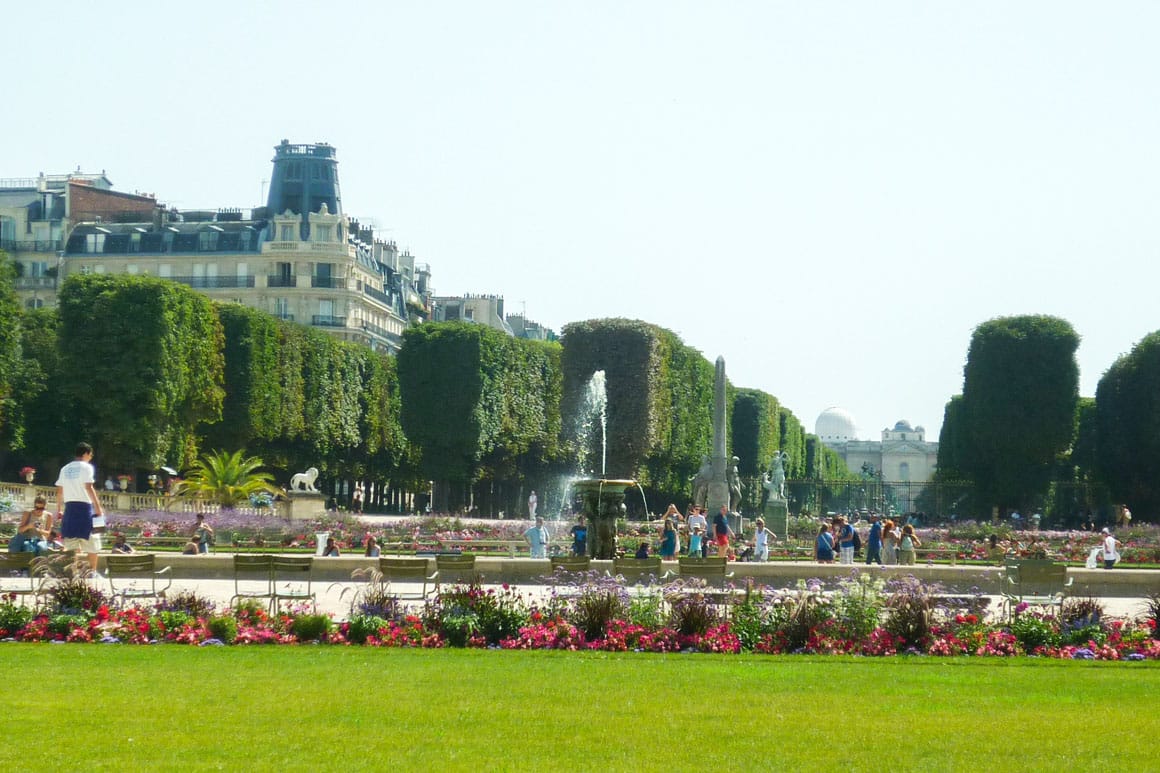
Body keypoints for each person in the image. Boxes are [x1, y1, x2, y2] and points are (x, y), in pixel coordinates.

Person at [55, 441, 105, 572]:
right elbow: (89, 487)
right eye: (91, 455)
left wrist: (59, 510)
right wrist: (98, 508)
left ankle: (72, 574)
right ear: (86, 453)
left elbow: (59, 491)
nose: (91, 457)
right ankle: (92, 573)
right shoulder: (87, 467)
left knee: (70, 547)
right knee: (93, 545)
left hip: (70, 509)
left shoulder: (64, 468)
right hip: (85, 509)